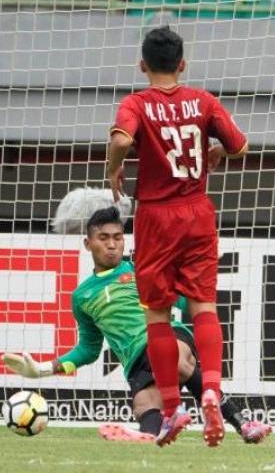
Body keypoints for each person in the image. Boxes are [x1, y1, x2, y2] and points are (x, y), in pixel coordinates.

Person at [1, 207, 271, 445]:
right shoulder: (82, 297)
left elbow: (189, 304)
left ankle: (239, 422)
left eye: (118, 238)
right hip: (135, 360)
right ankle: (150, 435)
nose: (112, 245)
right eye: (103, 238)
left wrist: (202, 269)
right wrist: (43, 369)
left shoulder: (142, 271)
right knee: (144, 406)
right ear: (87, 243)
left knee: (176, 359)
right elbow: (89, 349)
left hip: (169, 338)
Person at [106, 26, 248, 447]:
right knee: (204, 306)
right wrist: (218, 151)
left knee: (157, 315)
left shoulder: (137, 102)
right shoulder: (203, 101)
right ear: (182, 64)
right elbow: (239, 146)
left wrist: (111, 166)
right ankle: (210, 388)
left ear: (142, 65)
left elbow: (121, 138)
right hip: (198, 212)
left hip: (156, 217)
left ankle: (170, 410)